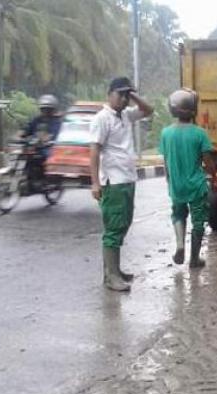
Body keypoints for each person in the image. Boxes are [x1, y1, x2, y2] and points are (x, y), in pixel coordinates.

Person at [89, 77, 154, 292]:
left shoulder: (125, 115)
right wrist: (95, 183)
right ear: (110, 94)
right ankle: (111, 276)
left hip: (127, 179)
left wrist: (132, 93)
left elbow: (148, 109)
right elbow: (95, 151)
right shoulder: (102, 118)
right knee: (114, 228)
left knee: (123, 224)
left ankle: (114, 270)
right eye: (121, 94)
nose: (125, 99)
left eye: (127, 96)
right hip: (113, 181)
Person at [159, 88, 217, 269]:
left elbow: (166, 161)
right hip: (196, 186)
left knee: (178, 213)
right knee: (198, 220)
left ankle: (179, 245)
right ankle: (194, 258)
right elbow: (207, 161)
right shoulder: (199, 133)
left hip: (176, 185)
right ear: (193, 110)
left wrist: (169, 179)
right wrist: (215, 178)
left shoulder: (165, 133)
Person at [21, 94, 63, 172]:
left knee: (49, 158)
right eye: (44, 109)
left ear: (53, 109)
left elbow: (55, 135)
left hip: (48, 148)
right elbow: (26, 130)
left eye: (48, 109)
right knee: (23, 156)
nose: (46, 111)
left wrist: (47, 140)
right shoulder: (36, 120)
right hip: (34, 147)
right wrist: (21, 135)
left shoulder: (57, 122)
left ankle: (48, 176)